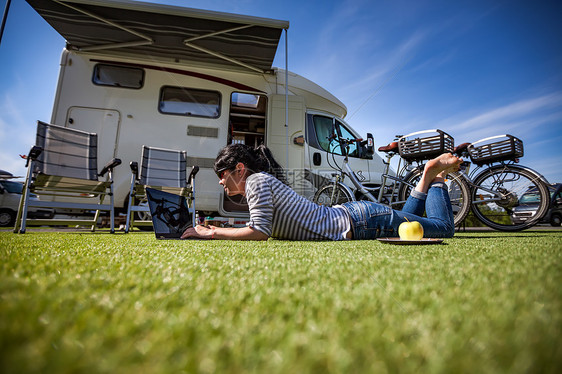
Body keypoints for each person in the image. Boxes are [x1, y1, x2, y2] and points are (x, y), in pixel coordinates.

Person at [181, 144, 462, 240]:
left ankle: (434, 177)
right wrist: (222, 227)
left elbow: (260, 232)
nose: (220, 182)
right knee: (405, 223)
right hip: (359, 217)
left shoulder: (256, 182)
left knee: (443, 228)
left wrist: (214, 232)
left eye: (222, 175)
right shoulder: (260, 182)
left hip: (362, 222)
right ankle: (427, 179)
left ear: (239, 169)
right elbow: (259, 224)